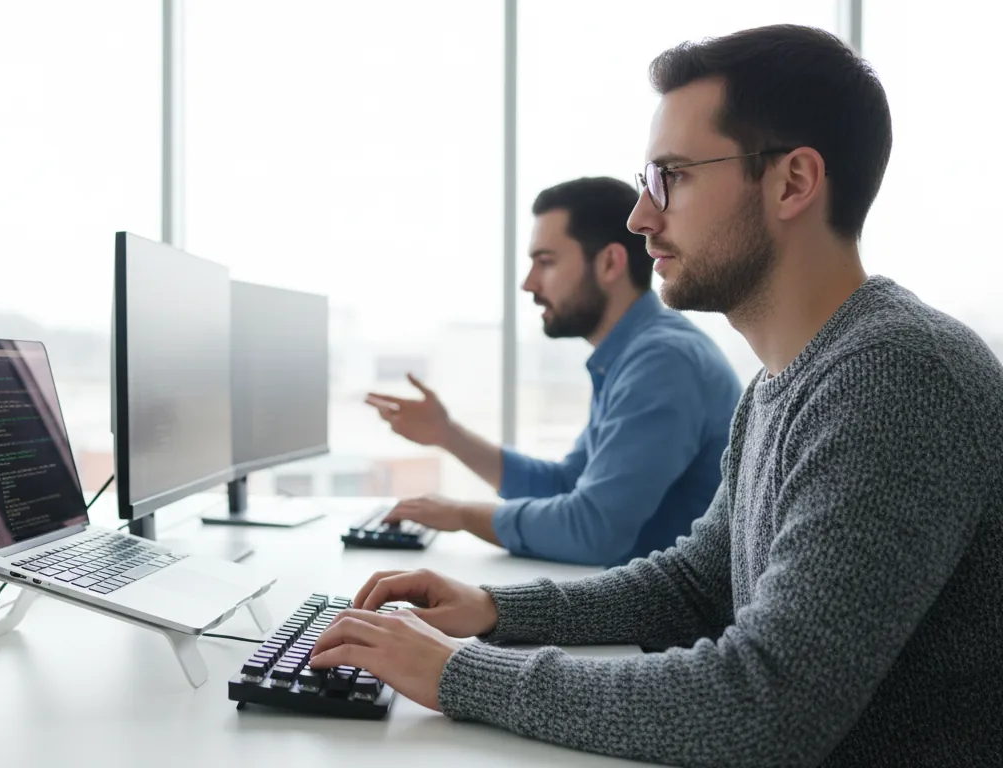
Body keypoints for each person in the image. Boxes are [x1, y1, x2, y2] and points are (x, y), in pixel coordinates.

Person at [313, 24, 1002, 767]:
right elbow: (696, 585)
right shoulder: (783, 379)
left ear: (793, 182)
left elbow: (762, 706)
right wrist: (494, 610)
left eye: (670, 177)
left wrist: (457, 672)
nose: (642, 217)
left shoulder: (894, 376)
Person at [366, 177, 740, 566]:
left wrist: (461, 515)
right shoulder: (634, 355)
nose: (528, 284)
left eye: (545, 262)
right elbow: (566, 485)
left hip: (672, 622)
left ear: (610, 263)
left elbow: (592, 529)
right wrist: (447, 434)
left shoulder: (663, 363)